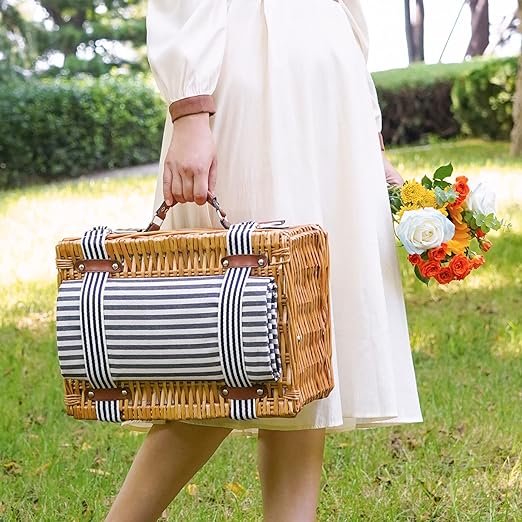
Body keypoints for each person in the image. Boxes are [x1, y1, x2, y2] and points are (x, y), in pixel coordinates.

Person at [106, 1, 423, 520]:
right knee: (231, 339)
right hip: (249, 66)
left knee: (305, 349)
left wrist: (369, 135)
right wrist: (190, 110)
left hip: (327, 79)